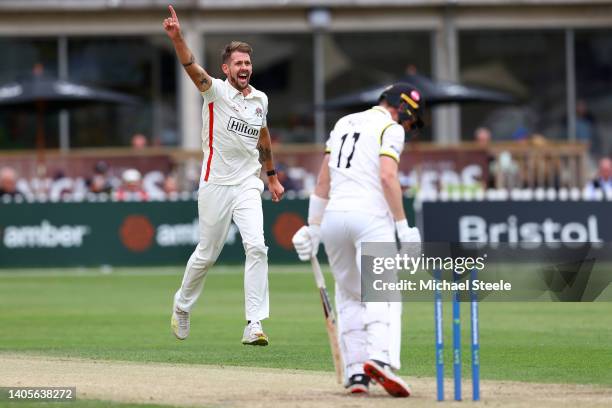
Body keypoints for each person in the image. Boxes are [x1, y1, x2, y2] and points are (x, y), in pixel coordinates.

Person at [163, 5, 284, 346]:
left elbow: (263, 137)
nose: (244, 67)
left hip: (248, 182)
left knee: (257, 246)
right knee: (207, 252)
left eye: (247, 63)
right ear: (226, 68)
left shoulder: (260, 99)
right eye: (238, 63)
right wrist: (178, 37)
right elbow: (190, 66)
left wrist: (271, 176)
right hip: (215, 182)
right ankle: (182, 305)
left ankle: (254, 323)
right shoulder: (214, 90)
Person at [292, 83, 423, 396]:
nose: (408, 126)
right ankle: (380, 360)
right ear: (401, 108)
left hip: (335, 219)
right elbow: (387, 177)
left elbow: (323, 182)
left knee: (350, 295)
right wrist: (404, 227)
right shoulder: (390, 128)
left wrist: (313, 227)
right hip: (370, 217)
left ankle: (356, 373)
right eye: (410, 118)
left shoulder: (343, 124)